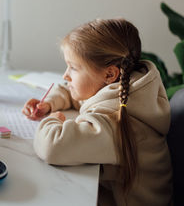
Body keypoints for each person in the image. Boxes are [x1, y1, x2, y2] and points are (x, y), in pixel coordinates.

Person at [22, 19, 172, 205]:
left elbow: (54, 148)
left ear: (110, 74)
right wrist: (50, 103)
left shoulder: (115, 118)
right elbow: (78, 94)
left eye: (74, 68)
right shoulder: (127, 87)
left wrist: (52, 120)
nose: (65, 75)